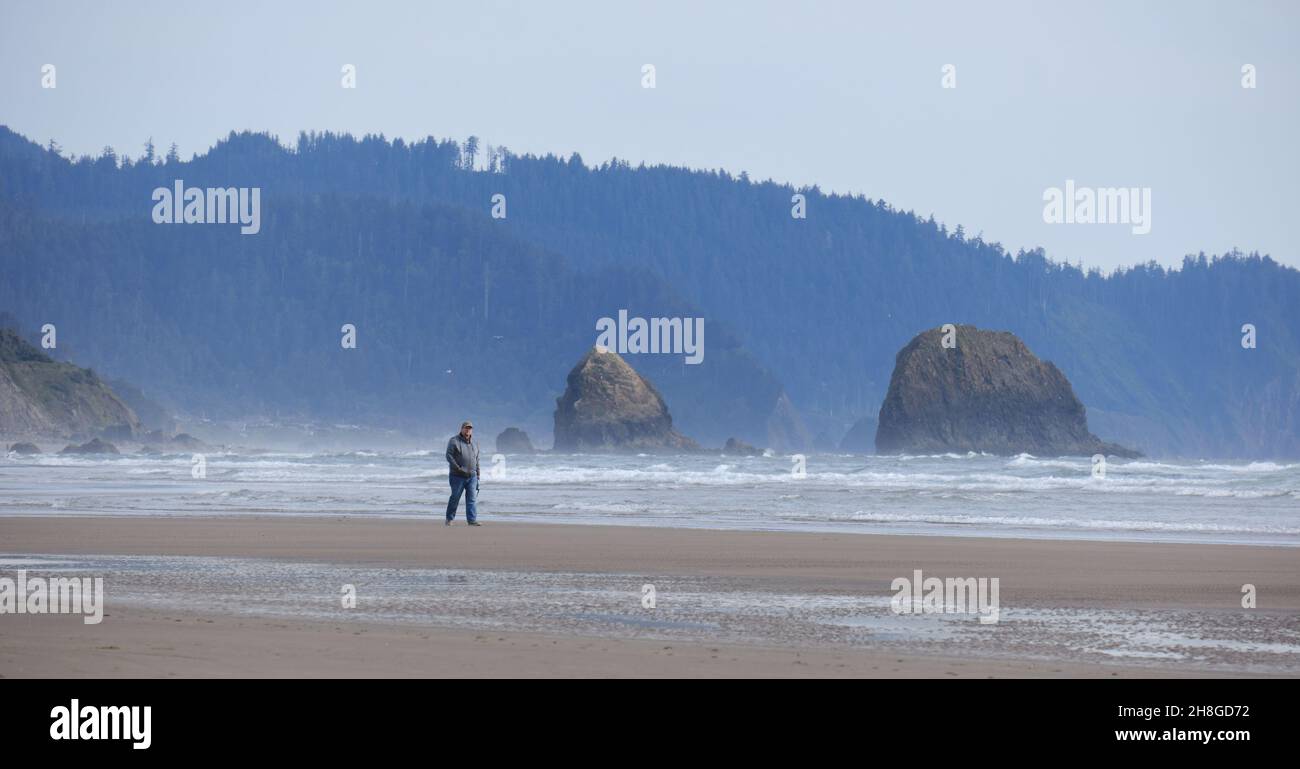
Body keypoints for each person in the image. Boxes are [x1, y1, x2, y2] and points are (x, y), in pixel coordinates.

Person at [445, 420, 481, 526]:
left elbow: (477, 459)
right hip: (457, 476)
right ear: (461, 429)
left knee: (472, 499)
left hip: (472, 476)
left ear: (472, 431)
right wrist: (457, 468)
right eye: (466, 428)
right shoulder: (454, 441)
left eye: (470, 428)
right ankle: (449, 519)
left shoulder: (475, 443)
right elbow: (449, 456)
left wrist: (478, 473)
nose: (468, 430)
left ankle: (472, 520)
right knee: (455, 497)